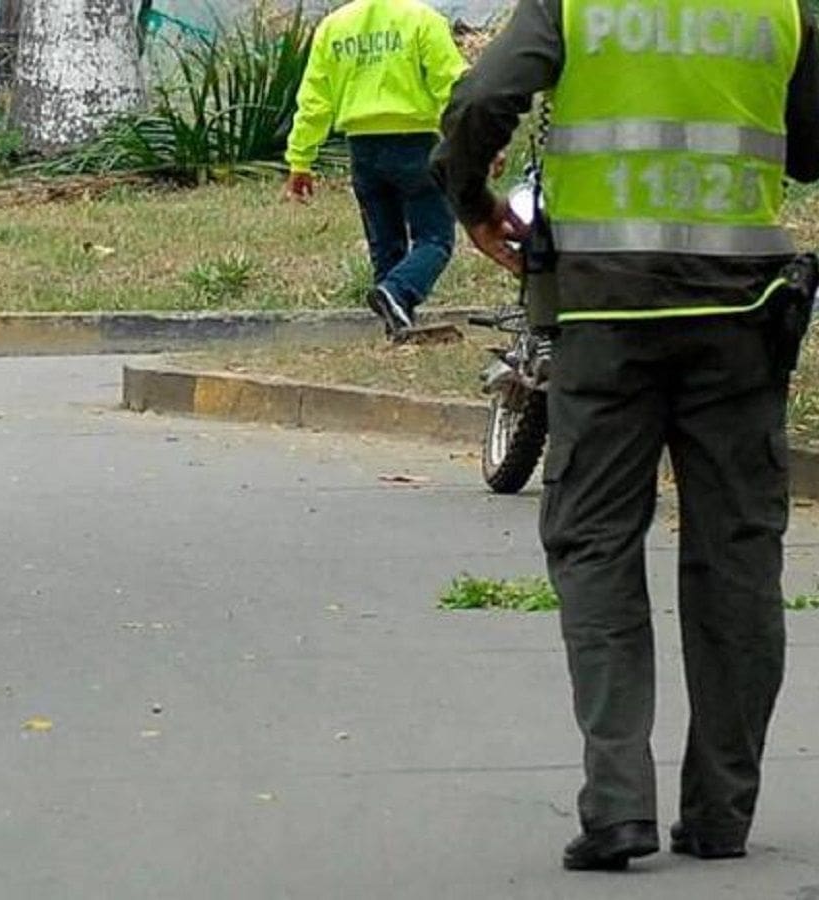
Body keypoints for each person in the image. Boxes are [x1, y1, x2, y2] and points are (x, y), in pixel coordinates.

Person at [431, 0, 819, 872]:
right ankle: (722, 815)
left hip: (606, 317)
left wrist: (470, 197)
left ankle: (616, 807)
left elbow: (480, 102)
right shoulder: (782, 6)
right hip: (742, 318)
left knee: (596, 544)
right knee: (738, 558)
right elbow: (811, 145)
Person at [283, 0, 465, 338]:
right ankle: (398, 293)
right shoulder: (422, 19)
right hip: (414, 143)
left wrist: (300, 159)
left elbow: (314, 101)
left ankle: (395, 322)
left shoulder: (334, 27)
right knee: (435, 237)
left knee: (385, 243)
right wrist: (473, 138)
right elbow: (451, 87)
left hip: (362, 149)